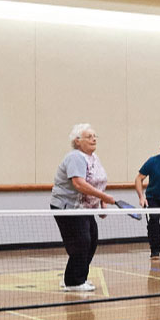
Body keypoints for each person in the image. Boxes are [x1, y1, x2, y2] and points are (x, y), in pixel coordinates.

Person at [51, 123, 116, 293]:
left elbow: (99, 182)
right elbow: (79, 184)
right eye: (89, 136)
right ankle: (74, 282)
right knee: (81, 242)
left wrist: (101, 204)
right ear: (77, 141)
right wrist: (104, 198)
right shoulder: (75, 157)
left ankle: (75, 278)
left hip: (85, 207)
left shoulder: (94, 158)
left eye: (95, 136)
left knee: (91, 240)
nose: (94, 139)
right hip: (68, 207)